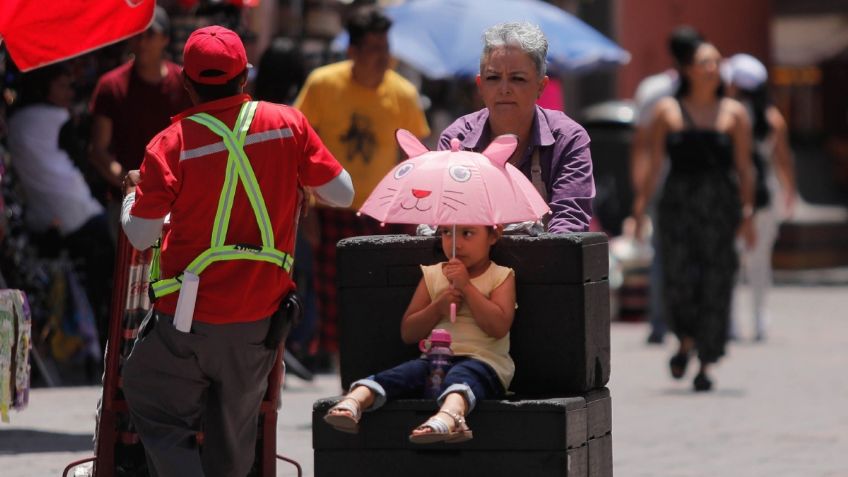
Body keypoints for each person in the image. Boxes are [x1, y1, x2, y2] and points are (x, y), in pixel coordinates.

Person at [120, 26, 353, 476]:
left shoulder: (172, 143)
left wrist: (130, 199)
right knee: (235, 433)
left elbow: (142, 235)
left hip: (185, 320)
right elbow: (343, 193)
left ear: (186, 84)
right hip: (259, 321)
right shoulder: (288, 124)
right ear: (245, 77)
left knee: (149, 395)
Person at [294, 6, 430, 367]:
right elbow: (301, 144)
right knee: (336, 300)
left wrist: (415, 214)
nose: (383, 56)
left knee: (388, 295)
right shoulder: (323, 84)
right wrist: (306, 204)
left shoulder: (402, 92)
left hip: (385, 212)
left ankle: (380, 368)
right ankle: (347, 372)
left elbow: (414, 157)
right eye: (373, 47)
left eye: (386, 46)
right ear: (352, 50)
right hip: (332, 211)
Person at [631, 41, 756, 392]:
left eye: (717, 62)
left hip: (719, 205)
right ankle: (685, 339)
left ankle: (706, 358)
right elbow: (655, 165)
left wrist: (747, 215)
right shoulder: (666, 111)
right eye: (704, 62)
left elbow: (744, 169)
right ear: (688, 69)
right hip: (678, 205)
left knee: (718, 278)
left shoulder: (734, 113)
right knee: (679, 277)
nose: (712, 68)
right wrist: (640, 209)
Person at [323, 224, 515, 444]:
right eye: (446, 232)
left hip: (484, 362)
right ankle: (354, 402)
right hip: (434, 359)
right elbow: (409, 332)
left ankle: (450, 417)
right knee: (399, 375)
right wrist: (438, 307)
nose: (456, 243)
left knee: (462, 380)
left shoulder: (501, 276)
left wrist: (467, 288)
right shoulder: (433, 275)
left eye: (467, 233)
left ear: (493, 236)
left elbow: (498, 327)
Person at [438, 22, 594, 233]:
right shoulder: (457, 139)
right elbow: (444, 219)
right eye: (493, 78)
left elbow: (569, 222)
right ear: (480, 86)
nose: (504, 89)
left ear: (541, 87)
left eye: (517, 79)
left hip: (546, 263)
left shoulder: (568, 139)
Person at [6, 63, 114, 355]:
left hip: (40, 218)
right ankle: (104, 342)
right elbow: (83, 162)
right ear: (46, 87)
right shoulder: (57, 118)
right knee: (104, 284)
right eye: (64, 85)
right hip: (81, 213)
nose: (70, 92)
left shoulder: (13, 121)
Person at [89, 6, 192, 239]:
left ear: (165, 39)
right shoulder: (111, 86)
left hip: (176, 205)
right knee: (129, 274)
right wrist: (131, 186)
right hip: (126, 204)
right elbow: (98, 150)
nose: (142, 42)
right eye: (137, 34)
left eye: (150, 34)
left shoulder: (184, 85)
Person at [631, 26, 705, 345]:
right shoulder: (707, 84)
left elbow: (641, 145)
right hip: (696, 183)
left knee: (663, 252)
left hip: (662, 181)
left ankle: (660, 322)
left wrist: (640, 189)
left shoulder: (652, 90)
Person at [722, 53, 797, 341]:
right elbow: (783, 160)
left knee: (731, 258)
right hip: (766, 193)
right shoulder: (773, 118)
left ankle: (731, 322)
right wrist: (790, 190)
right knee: (760, 260)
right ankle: (760, 319)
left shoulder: (728, 115)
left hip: (734, 193)